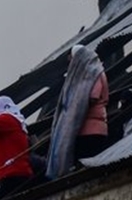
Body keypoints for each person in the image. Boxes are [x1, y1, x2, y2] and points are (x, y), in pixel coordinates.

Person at [46, 45, 109, 179]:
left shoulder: (93, 72)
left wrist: (73, 107)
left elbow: (91, 97)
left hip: (91, 129)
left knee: (89, 166)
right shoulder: (88, 73)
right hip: (85, 130)